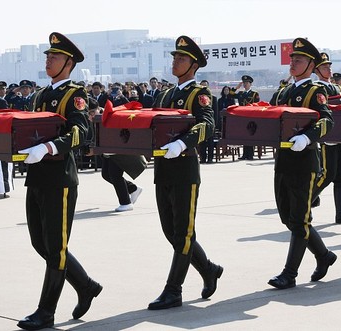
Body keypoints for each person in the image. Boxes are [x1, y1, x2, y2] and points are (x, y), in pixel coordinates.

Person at [15, 32, 102, 330]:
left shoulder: (74, 95)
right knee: (41, 243)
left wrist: (48, 147)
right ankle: (86, 285)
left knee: (56, 248)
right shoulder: (40, 95)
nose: (48, 59)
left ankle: (46, 311)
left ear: (69, 62)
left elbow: (80, 132)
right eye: (47, 55)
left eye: (54, 56)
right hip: (36, 178)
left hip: (59, 179)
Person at [148, 35, 222, 310]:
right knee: (172, 231)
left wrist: (182, 143)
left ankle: (173, 290)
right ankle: (209, 269)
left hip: (184, 168)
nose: (175, 62)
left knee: (184, 232)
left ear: (193, 65)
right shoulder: (166, 94)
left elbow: (207, 126)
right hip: (163, 168)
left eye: (181, 58)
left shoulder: (199, 94)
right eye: (174, 57)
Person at [266, 38, 336, 290]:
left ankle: (290, 273)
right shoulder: (284, 91)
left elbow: (328, 121)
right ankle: (324, 255)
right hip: (283, 160)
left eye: (299, 60)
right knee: (289, 217)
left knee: (299, 218)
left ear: (311, 64)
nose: (293, 63)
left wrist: (307, 137)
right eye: (292, 59)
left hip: (304, 161)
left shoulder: (315, 91)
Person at [311, 52, 341, 224]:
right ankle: (307, 203)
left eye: (329, 66)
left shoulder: (337, 88)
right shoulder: (317, 88)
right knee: (327, 175)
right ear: (316, 70)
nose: (328, 69)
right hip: (329, 136)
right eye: (324, 67)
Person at [231, 75, 260, 160]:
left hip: (251, 116)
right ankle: (244, 154)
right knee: (244, 135)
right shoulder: (241, 93)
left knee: (250, 135)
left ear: (250, 84)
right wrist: (236, 87)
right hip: (242, 117)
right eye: (244, 83)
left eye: (247, 83)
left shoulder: (254, 94)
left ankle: (250, 154)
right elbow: (230, 95)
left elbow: (257, 105)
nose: (245, 84)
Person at [198, 79, 218, 164]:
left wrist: (215, 124)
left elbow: (216, 112)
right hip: (201, 122)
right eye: (202, 86)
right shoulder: (197, 98)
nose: (204, 87)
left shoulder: (213, 98)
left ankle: (210, 158)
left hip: (210, 123)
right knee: (202, 142)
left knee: (210, 142)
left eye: (205, 86)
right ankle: (203, 158)